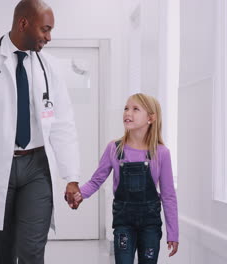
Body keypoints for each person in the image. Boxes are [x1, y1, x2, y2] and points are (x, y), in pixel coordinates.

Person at [0, 1, 82, 263]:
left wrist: (71, 176)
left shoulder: (50, 67)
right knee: (1, 255)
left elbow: (63, 124)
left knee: (31, 251)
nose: (49, 37)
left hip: (37, 168)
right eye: (45, 29)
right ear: (23, 23)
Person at [74, 93, 179, 263]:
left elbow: (168, 196)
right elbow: (96, 180)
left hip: (150, 224)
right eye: (126, 108)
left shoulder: (161, 153)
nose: (127, 113)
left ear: (150, 118)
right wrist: (80, 194)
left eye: (135, 109)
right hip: (124, 222)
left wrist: (173, 232)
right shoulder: (114, 149)